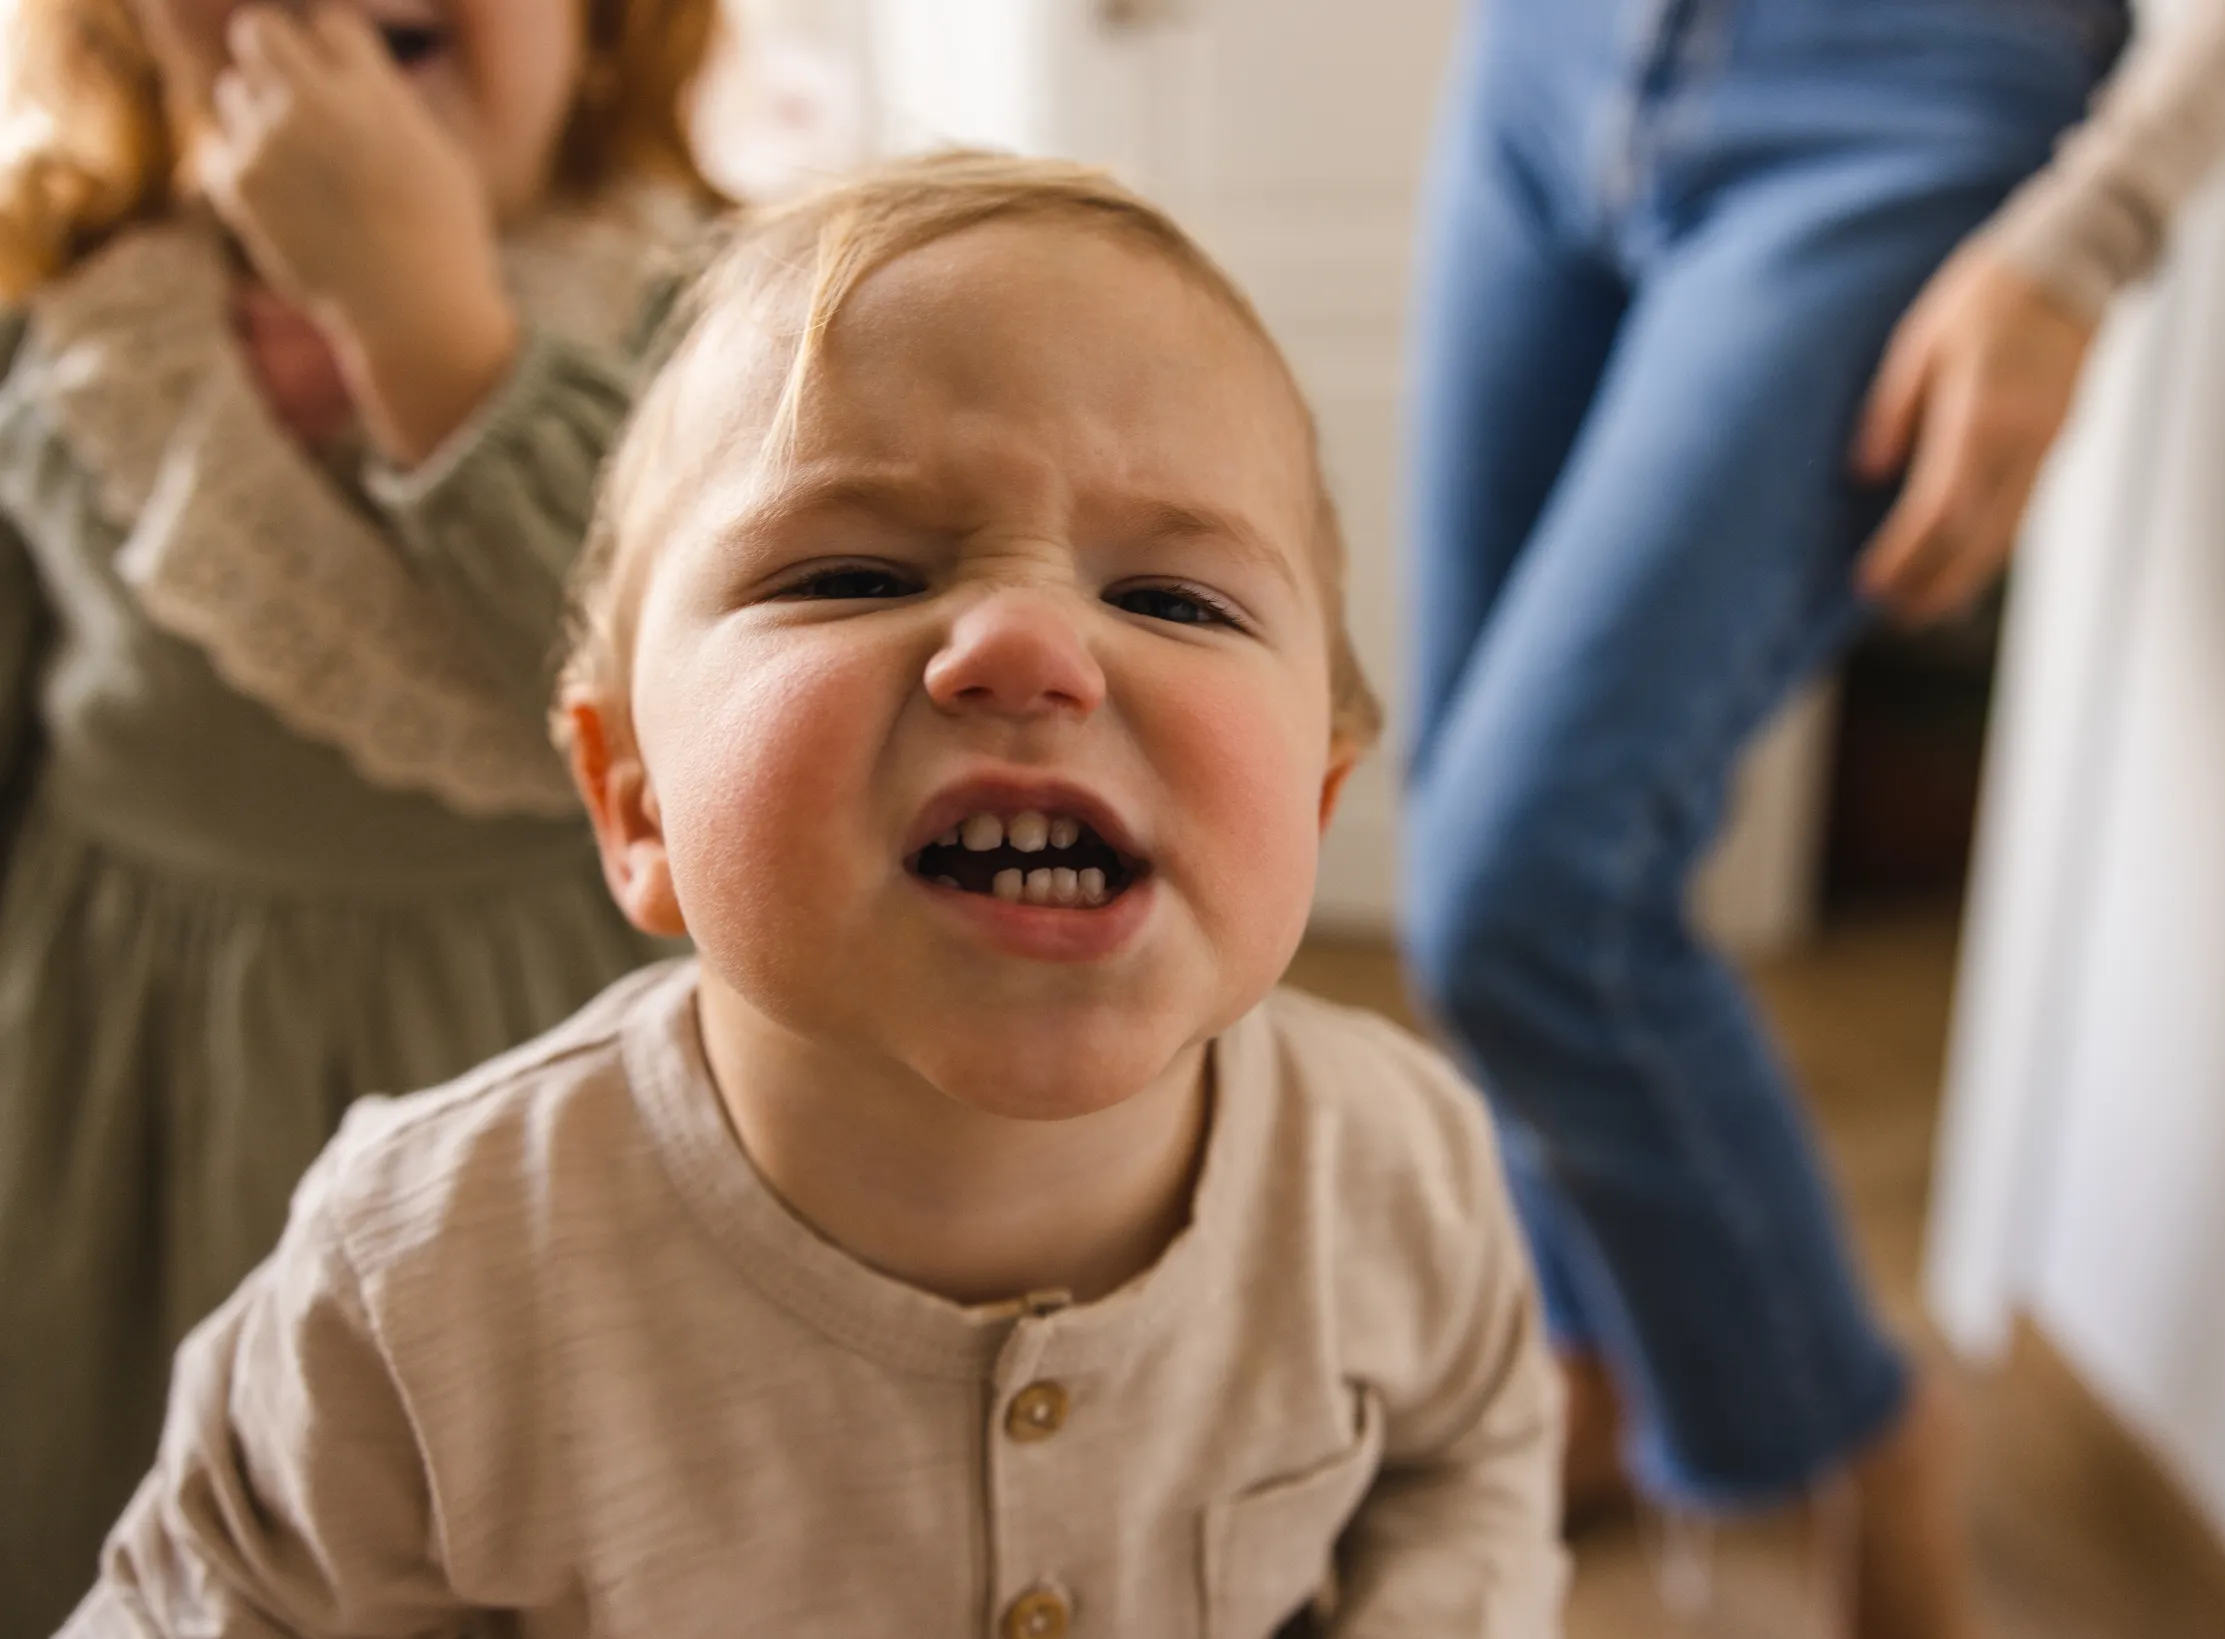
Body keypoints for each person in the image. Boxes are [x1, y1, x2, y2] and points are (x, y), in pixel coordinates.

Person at [58, 152, 1568, 1637]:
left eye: (1171, 598)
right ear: (634, 802)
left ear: (1317, 797)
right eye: (854, 576)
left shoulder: (1399, 1168)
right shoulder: (420, 1279)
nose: (1029, 645)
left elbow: (1472, 1458)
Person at [1400, 0, 2225, 1631]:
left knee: (1529, 891)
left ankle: (1854, 1430)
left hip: (1902, 98)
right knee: (1459, 800)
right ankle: (1592, 1358)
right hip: (1542, 58)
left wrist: (2089, 234)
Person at [0, 2, 722, 1628]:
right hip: (109, 1144)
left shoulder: (717, 323)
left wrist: (431, 334)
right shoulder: (74, 316)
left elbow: (704, 720)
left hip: (559, 1118)